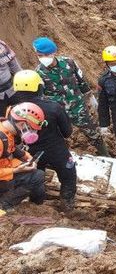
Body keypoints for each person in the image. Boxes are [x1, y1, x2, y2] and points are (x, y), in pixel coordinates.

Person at [32, 37, 109, 156]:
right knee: (58, 137)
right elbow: (40, 96)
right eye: (39, 55)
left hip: (78, 107)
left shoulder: (69, 63)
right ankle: (64, 157)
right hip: (58, 112)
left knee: (93, 132)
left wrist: (89, 96)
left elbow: (80, 80)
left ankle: (105, 155)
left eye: (45, 55)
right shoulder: (38, 73)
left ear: (53, 52)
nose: (43, 58)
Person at [13, 70, 77, 211]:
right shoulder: (54, 107)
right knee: (68, 175)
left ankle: (37, 203)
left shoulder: (13, 111)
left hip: (30, 153)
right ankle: (67, 203)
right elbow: (67, 133)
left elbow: (15, 138)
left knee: (36, 176)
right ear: (39, 87)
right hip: (56, 150)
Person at [0, 102, 46, 212]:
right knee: (36, 177)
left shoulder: (6, 131)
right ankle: (4, 203)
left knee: (37, 175)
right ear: (22, 124)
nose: (32, 133)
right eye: (31, 129)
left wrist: (28, 157)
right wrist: (15, 170)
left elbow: (12, 148)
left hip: (5, 169)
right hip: (4, 173)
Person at [0, 40, 23, 116]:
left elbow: (13, 64)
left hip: (12, 90)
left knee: (22, 115)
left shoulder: (2, 46)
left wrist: (23, 78)